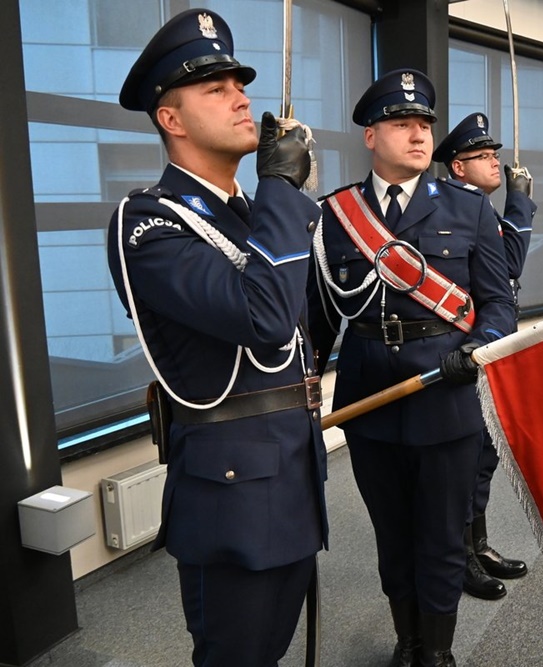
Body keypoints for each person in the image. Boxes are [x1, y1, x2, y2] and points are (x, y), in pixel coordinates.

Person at [107, 9, 327, 666]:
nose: (242, 98)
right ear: (170, 119)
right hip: (230, 498)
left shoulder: (253, 215)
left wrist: (282, 202)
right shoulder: (148, 222)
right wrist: (284, 190)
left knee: (273, 649)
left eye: (240, 84)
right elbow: (262, 317)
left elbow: (310, 329)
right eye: (215, 88)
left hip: (292, 476)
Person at [309, 71, 516, 667]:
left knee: (443, 538)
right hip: (369, 401)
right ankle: (408, 644)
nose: (419, 135)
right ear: (371, 136)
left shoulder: (469, 208)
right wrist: (303, 395)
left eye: (424, 124)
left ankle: (439, 654)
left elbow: (499, 301)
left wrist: (477, 348)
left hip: (445, 397)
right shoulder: (335, 215)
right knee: (393, 538)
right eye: (403, 124)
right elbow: (321, 319)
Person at [432, 113, 535, 601]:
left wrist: (514, 204)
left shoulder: (478, 209)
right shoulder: (458, 211)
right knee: (467, 460)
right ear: (457, 167)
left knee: (485, 455)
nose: (496, 163)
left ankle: (478, 542)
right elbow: (509, 264)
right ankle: (462, 557)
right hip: (463, 350)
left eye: (495, 156)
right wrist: (519, 204)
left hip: (487, 346)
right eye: (484, 158)